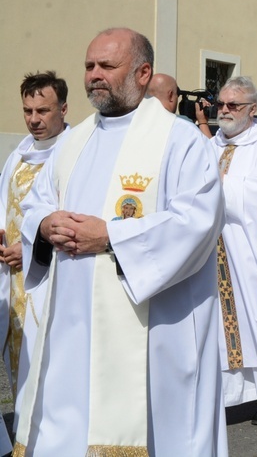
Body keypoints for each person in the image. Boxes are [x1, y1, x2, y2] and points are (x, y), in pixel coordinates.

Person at [15, 28, 227, 456]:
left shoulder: (181, 141)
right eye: (89, 65)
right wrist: (44, 225)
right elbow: (36, 203)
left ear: (143, 72)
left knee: (150, 427)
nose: (94, 75)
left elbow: (197, 223)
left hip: (152, 328)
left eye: (106, 66)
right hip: (73, 326)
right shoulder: (73, 141)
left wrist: (111, 236)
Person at [0, 71, 70, 452]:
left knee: (52, 369)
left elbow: (72, 219)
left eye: (42, 110)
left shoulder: (74, 152)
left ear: (63, 108)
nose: (34, 119)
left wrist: (30, 252)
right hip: (13, 283)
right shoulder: (20, 153)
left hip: (52, 281)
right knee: (19, 367)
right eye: (27, 110)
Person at [210, 76, 257, 424]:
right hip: (211, 250)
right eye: (221, 104)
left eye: (233, 105)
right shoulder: (210, 144)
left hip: (245, 252)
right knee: (216, 325)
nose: (224, 111)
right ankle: (224, 398)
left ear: (252, 110)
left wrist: (211, 189)